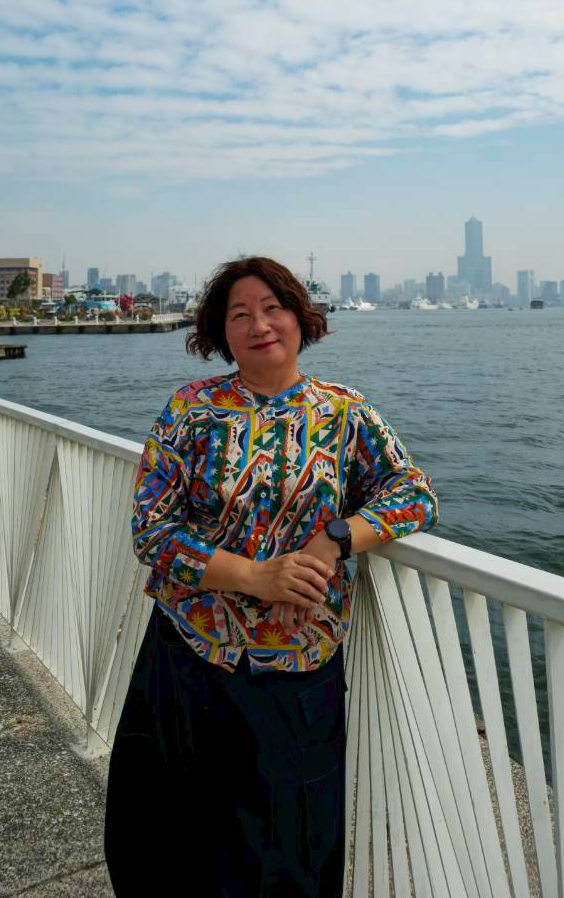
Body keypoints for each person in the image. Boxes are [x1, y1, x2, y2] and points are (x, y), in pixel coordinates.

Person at [104, 256, 438, 897]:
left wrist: (333, 539)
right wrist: (254, 577)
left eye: (272, 308)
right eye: (240, 314)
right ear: (221, 333)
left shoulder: (343, 412)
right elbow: (152, 529)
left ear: (300, 318)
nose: (259, 325)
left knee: (290, 853)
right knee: (173, 842)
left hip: (298, 670)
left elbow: (414, 494)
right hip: (191, 659)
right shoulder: (192, 410)